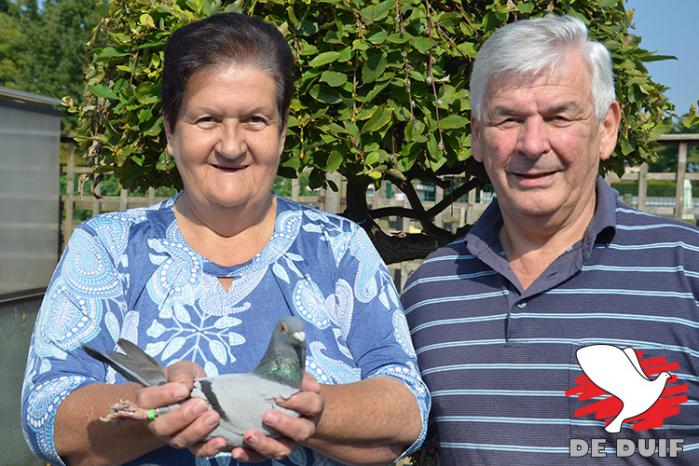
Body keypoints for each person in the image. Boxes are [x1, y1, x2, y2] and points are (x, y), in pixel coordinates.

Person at [22, 13, 429, 466]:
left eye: (255, 119)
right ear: (171, 131)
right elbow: (46, 411)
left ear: (281, 130)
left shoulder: (339, 248)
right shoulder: (108, 247)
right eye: (207, 119)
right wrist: (150, 405)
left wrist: (320, 414)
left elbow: (407, 407)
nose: (231, 146)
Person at [402, 14, 699, 466]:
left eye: (559, 116)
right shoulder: (431, 292)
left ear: (606, 128)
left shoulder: (687, 270)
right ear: (477, 137)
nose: (532, 143)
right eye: (508, 119)